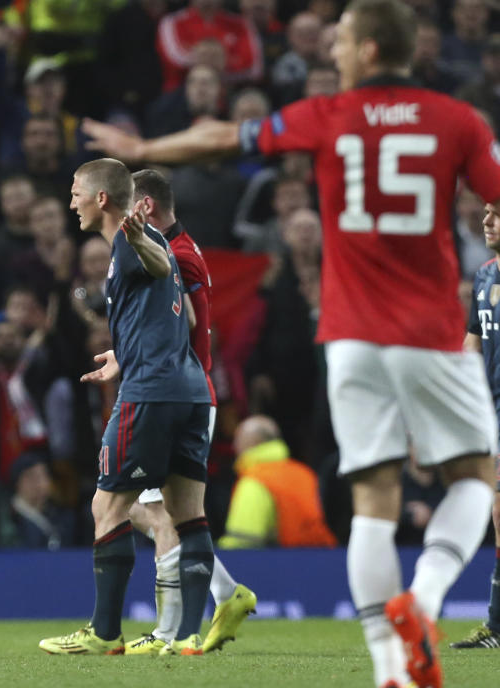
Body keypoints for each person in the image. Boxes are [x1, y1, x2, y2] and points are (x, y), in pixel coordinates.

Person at [83, 2, 500, 686]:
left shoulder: (326, 115)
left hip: (349, 336)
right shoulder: (454, 119)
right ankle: (420, 603)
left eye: (340, 42)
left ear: (368, 50)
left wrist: (147, 152)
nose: (332, 52)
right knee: (472, 483)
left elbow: (223, 138)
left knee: (372, 500)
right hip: (427, 329)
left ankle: (390, 666)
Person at [38, 158, 213, 656]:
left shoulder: (135, 242)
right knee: (188, 514)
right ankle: (188, 637)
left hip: (152, 393)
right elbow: (183, 313)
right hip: (188, 389)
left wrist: (137, 239)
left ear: (100, 199)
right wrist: (126, 354)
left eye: (75, 192)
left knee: (106, 506)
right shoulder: (144, 243)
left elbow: (158, 264)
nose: (70, 202)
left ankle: (104, 632)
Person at [124, 169, 257, 656]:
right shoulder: (182, 248)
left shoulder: (175, 257)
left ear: (147, 209)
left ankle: (170, 631)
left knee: (154, 510)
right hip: (182, 394)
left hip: (177, 398)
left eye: (127, 206)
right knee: (169, 512)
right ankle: (225, 594)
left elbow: (191, 321)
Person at [452, 202, 500, 649]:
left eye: (497, 213)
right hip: (491, 414)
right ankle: (497, 626)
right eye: (485, 212)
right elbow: (472, 343)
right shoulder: (485, 275)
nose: (487, 221)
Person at [218, 415, 337, 549]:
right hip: (320, 557)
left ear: (254, 442)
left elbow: (243, 541)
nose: (234, 446)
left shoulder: (254, 480)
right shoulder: (304, 473)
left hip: (282, 563)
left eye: (238, 439)